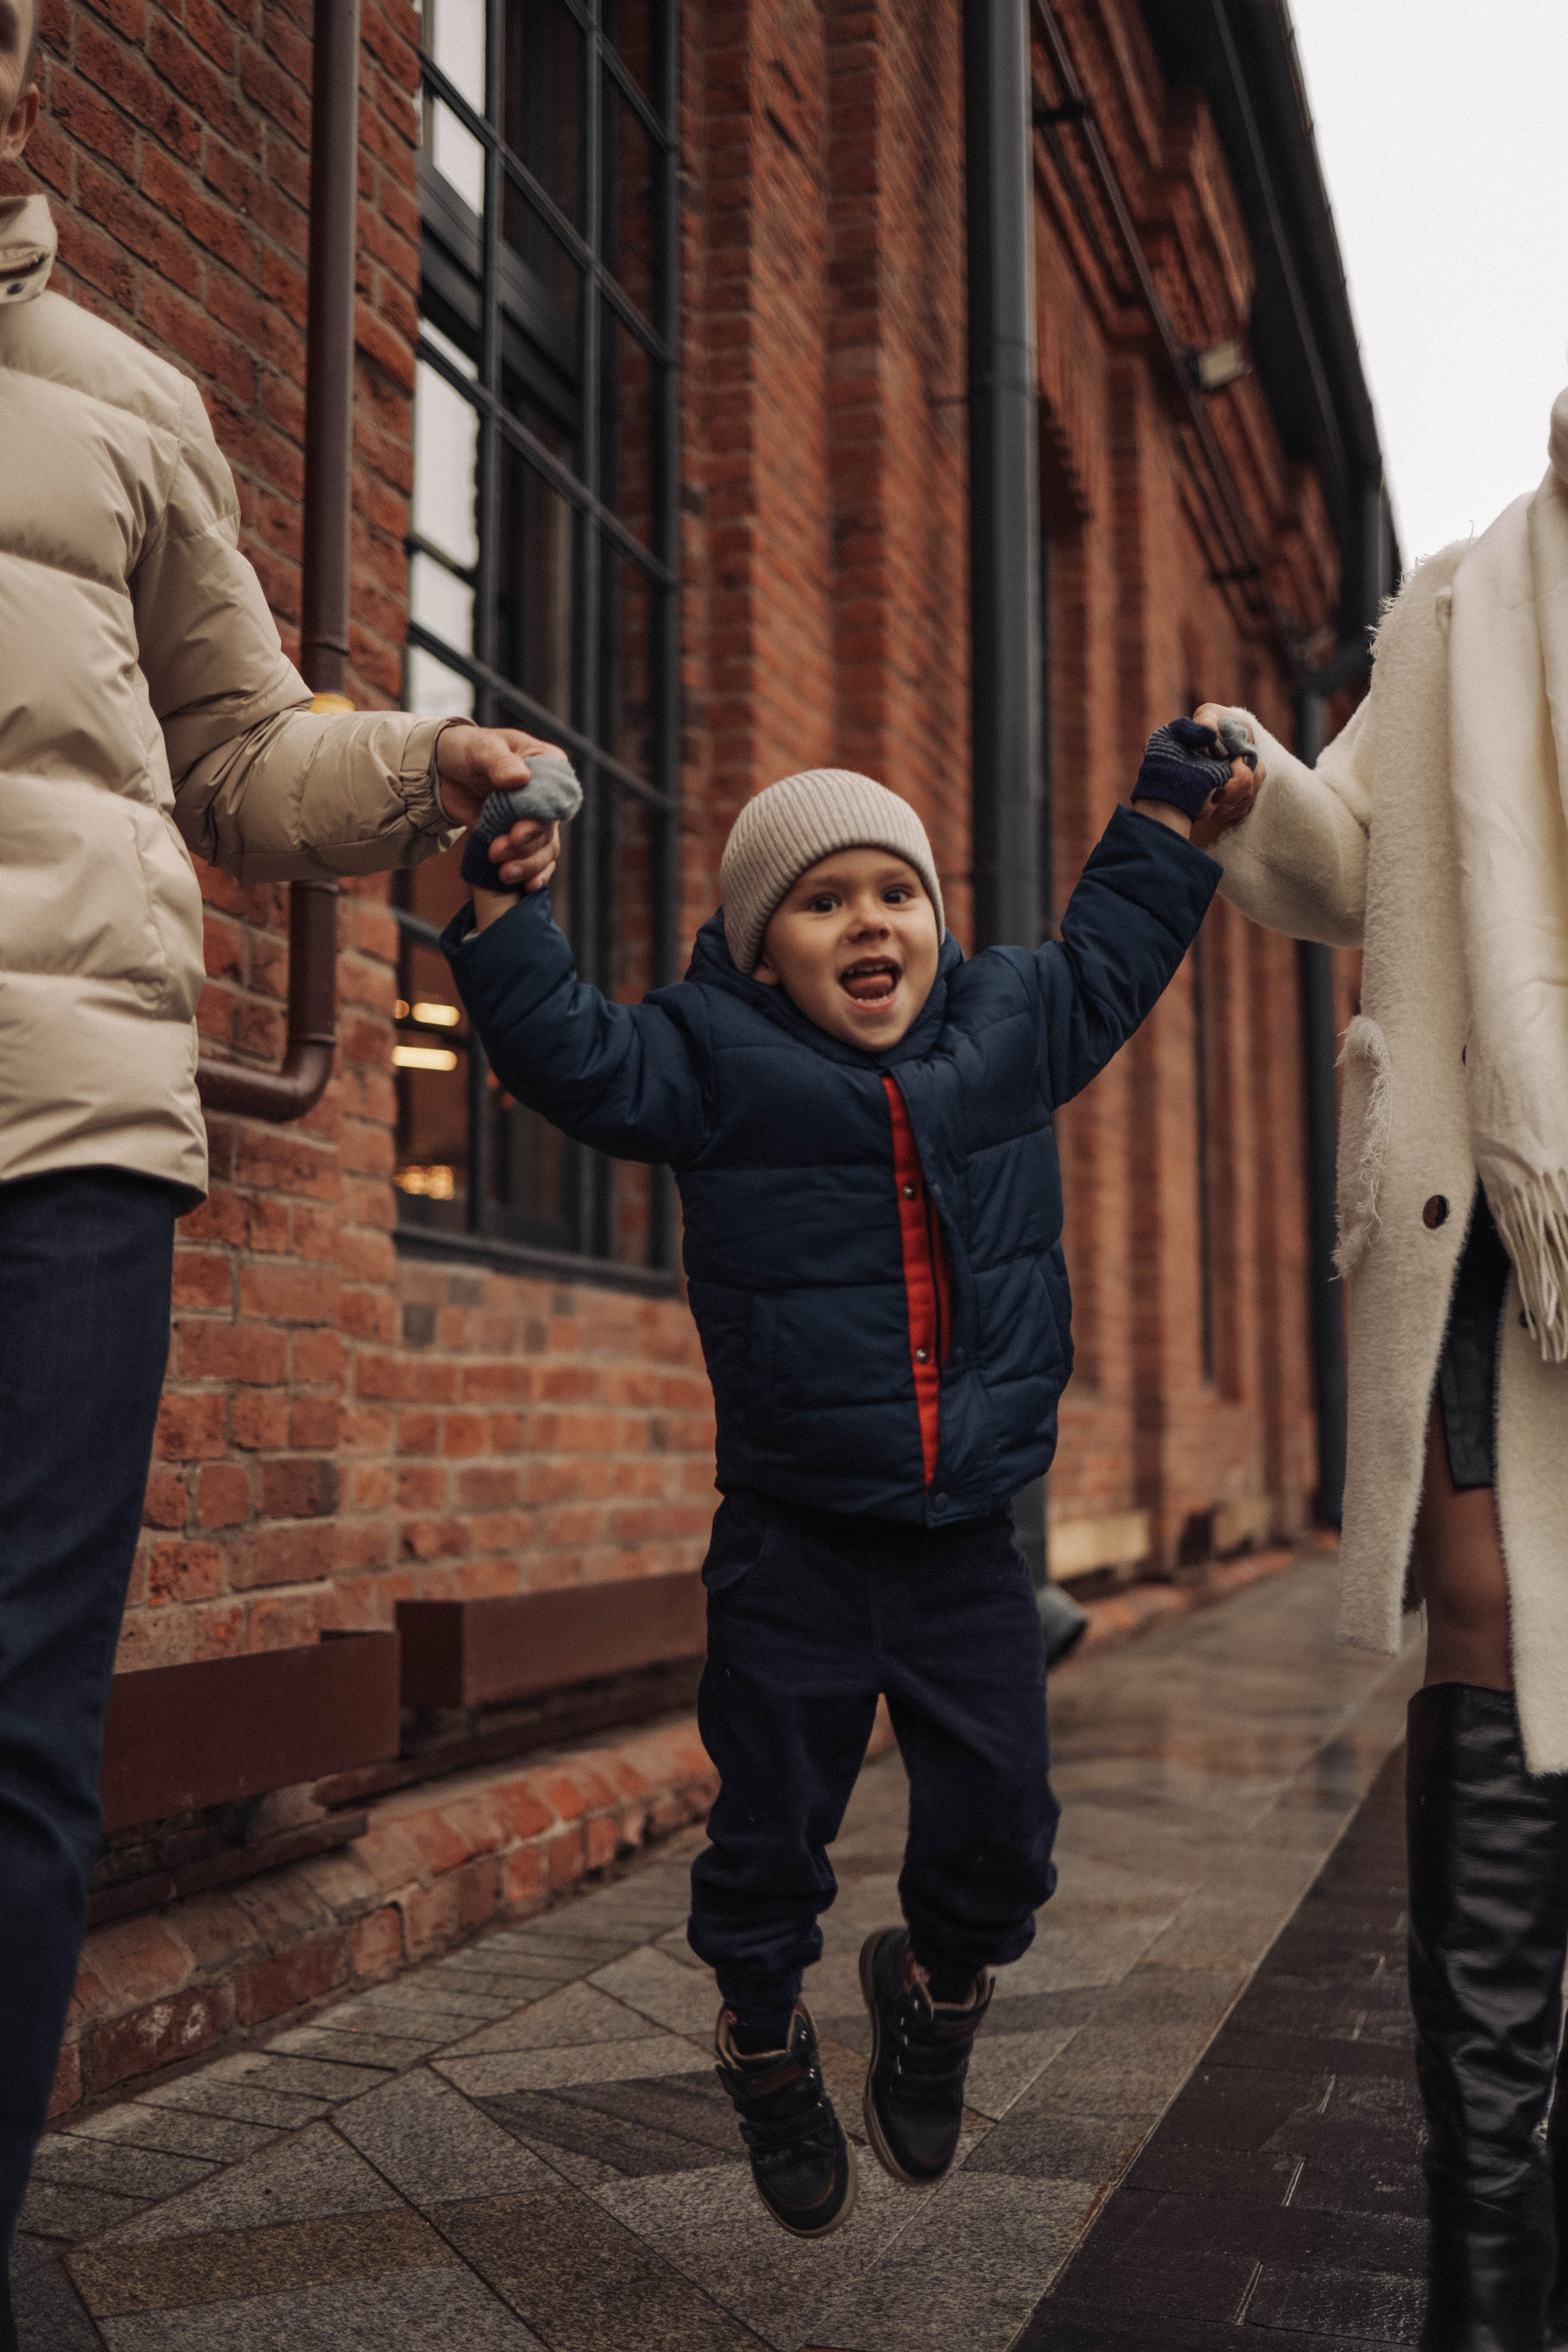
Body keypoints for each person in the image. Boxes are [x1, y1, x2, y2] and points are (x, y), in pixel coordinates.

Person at [0, 18, 557, 2337]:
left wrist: (422, 758)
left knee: (24, 1724)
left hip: (64, 1141)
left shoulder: (123, 397)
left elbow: (237, 745)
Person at [446, 723, 1262, 2235]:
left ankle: (936, 1991)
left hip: (965, 1544)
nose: (867, 922)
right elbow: (566, 1053)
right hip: (792, 1542)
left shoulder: (1008, 1024)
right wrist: (506, 915)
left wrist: (1160, 804)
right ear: (764, 952)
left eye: (896, 892)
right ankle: (759, 2038)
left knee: (1002, 1831)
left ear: (936, 923)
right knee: (768, 1833)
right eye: (822, 903)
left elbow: (1109, 954)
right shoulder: (707, 1057)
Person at [1199, 386, 1568, 2352]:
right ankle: (1486, 2290)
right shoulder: (1456, 606)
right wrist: (1255, 782)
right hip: (1503, 1204)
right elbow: (1357, 852)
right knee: (1496, 1639)